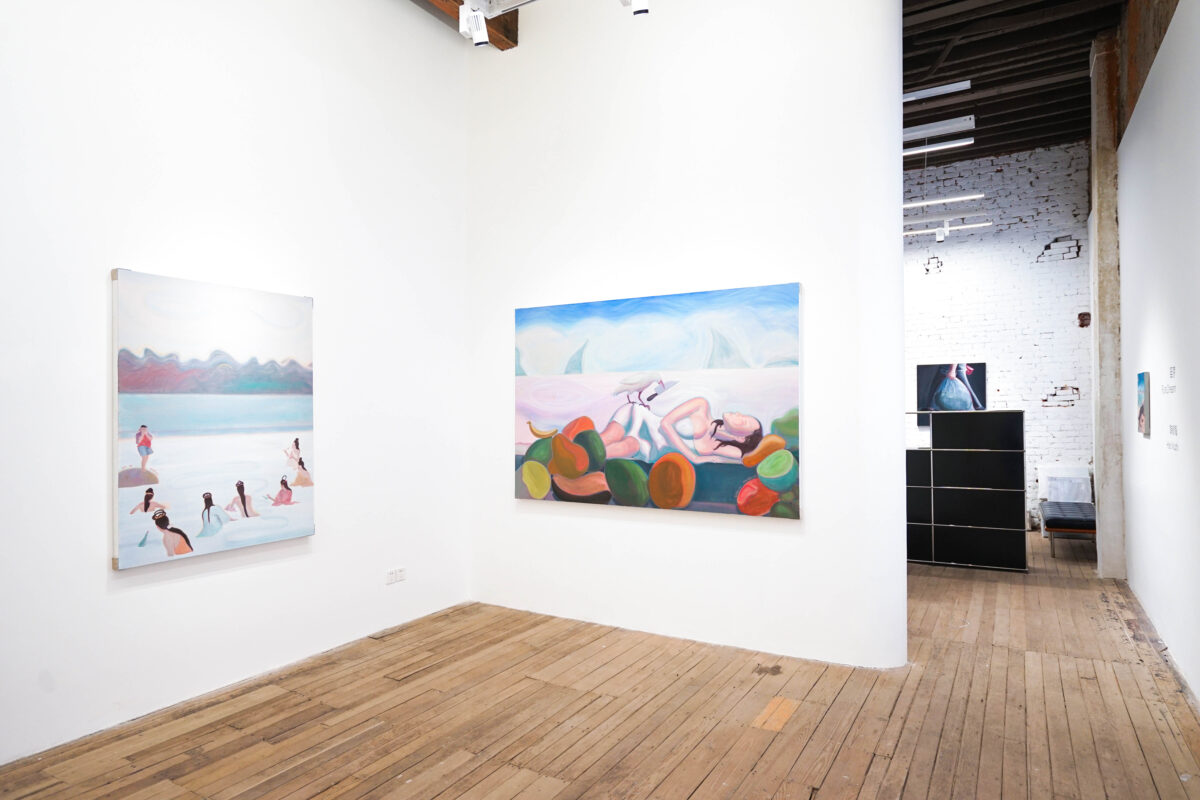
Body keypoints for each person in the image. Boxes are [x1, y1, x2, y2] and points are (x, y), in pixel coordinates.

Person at [599, 395, 764, 465]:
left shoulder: (717, 447)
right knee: (607, 438)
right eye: (744, 415)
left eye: (743, 421)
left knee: (627, 446)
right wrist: (693, 457)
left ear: (741, 438)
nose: (738, 414)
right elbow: (665, 424)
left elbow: (744, 457)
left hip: (649, 447)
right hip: (639, 418)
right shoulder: (701, 406)